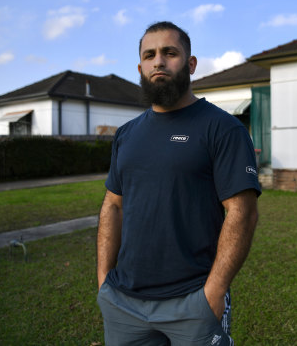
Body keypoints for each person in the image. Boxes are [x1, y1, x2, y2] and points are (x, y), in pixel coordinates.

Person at [97, 21, 261, 345]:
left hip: (193, 302)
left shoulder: (222, 129)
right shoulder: (126, 135)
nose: (158, 61)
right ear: (140, 67)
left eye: (169, 53)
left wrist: (214, 291)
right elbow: (113, 205)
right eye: (150, 55)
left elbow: (242, 213)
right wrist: (104, 280)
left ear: (190, 63)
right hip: (124, 303)